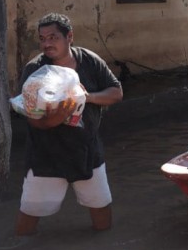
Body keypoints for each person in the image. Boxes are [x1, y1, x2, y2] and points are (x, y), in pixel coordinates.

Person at [15, 13, 123, 236]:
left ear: (69, 37)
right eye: (42, 38)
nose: (47, 43)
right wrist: (56, 117)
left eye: (53, 37)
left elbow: (116, 93)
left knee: (102, 215)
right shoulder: (35, 70)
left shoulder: (89, 61)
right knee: (28, 219)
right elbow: (33, 121)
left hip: (86, 150)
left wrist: (87, 97)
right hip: (46, 154)